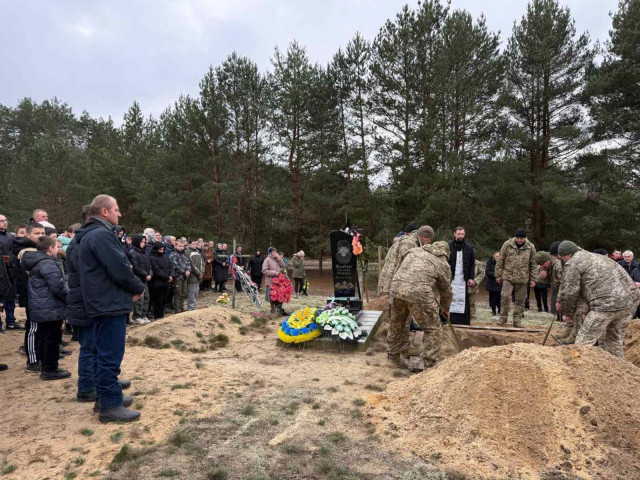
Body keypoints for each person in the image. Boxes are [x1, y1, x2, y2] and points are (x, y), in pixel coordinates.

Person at [78, 194, 145, 423]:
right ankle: (109, 406)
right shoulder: (101, 234)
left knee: (103, 353)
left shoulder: (94, 233)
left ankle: (106, 397)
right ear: (104, 211)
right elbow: (119, 268)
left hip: (104, 301)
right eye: (116, 209)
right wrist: (138, 287)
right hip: (109, 303)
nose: (120, 214)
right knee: (110, 355)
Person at [557, 240, 640, 358]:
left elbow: (570, 292)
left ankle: (579, 368)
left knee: (583, 342)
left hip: (605, 305)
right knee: (613, 340)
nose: (563, 261)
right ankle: (617, 367)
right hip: (629, 302)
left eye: (562, 258)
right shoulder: (599, 257)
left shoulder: (573, 263)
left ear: (567, 255)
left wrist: (568, 313)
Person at [388, 241, 453, 371]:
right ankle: (430, 363)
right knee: (433, 329)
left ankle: (393, 357)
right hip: (419, 293)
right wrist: (445, 309)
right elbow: (446, 291)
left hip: (396, 288)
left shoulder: (414, 251)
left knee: (397, 324)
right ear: (446, 253)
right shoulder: (442, 263)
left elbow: (400, 269)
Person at [21, 236, 70, 380]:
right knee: (52, 339)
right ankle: (50, 369)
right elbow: (58, 287)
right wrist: (70, 298)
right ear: (50, 248)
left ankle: (46, 367)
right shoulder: (47, 263)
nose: (58, 250)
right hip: (50, 308)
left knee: (44, 338)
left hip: (42, 307)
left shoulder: (39, 262)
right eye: (57, 247)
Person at [12, 223, 45, 370]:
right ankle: (32, 360)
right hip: (30, 294)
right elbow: (23, 278)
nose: (40, 236)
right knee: (33, 327)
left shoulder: (39, 248)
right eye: (37, 233)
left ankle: (40, 356)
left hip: (40, 295)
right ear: (27, 235)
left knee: (41, 328)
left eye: (42, 233)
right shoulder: (23, 252)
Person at [494, 229, 537, 328]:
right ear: (515, 237)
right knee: (505, 296)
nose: (519, 240)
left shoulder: (531, 247)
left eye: (521, 238)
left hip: (522, 278)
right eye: (517, 238)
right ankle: (503, 318)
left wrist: (534, 279)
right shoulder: (507, 244)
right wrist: (498, 275)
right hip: (508, 276)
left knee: (520, 300)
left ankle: (517, 320)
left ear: (525, 238)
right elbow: (500, 260)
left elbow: (533, 264)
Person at [446, 227, 476, 325]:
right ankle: (447, 319)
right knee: (449, 297)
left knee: (462, 298)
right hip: (451, 278)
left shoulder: (469, 247)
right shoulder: (448, 246)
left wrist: (471, 277)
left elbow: (472, 264)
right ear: (454, 233)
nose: (460, 236)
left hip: (463, 278)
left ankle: (463, 321)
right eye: (459, 234)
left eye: (462, 234)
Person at [0, 214, 20, 331]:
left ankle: (11, 321)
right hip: (0, 271)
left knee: (11, 297)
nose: (4, 222)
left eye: (5, 220)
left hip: (11, 270)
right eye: (1, 221)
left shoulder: (11, 237)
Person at [128, 235, 152, 325]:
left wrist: (150, 274)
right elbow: (136, 267)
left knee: (146, 297)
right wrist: (145, 274)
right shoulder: (132, 253)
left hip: (145, 278)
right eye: (141, 242)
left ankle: (143, 315)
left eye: (144, 242)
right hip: (138, 278)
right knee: (139, 298)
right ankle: (137, 316)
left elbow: (149, 265)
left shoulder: (144, 253)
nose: (143, 244)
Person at [149, 242, 173, 320]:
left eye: (163, 249)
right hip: (157, 282)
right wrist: (167, 277)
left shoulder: (166, 257)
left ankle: (162, 315)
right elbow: (157, 270)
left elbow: (170, 266)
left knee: (164, 300)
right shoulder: (152, 258)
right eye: (160, 249)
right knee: (157, 300)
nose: (162, 251)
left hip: (166, 282)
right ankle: (157, 315)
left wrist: (171, 275)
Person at [169, 239, 191, 313]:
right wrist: (183, 272)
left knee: (183, 292)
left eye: (182, 246)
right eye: (180, 246)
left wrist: (188, 270)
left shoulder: (184, 254)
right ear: (175, 246)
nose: (181, 248)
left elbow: (188, 263)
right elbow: (175, 265)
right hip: (177, 276)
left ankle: (182, 307)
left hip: (185, 277)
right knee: (177, 293)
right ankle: (177, 308)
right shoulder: (173, 254)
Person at [262, 247, 286, 313]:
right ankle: (272, 309)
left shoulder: (277, 259)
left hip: (279, 281)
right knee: (272, 297)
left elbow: (283, 265)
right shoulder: (267, 260)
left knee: (280, 295)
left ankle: (279, 309)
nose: (275, 253)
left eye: (275, 251)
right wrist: (275, 273)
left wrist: (279, 258)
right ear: (270, 253)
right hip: (271, 281)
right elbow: (264, 271)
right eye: (273, 251)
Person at [186, 238, 204, 310]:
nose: (195, 245)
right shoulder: (187, 252)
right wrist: (198, 273)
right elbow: (191, 264)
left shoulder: (198, 251)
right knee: (191, 292)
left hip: (199, 275)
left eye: (196, 244)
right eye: (193, 244)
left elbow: (202, 262)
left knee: (196, 292)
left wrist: (202, 272)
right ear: (189, 244)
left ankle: (194, 307)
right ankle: (190, 308)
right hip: (192, 276)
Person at [485, 251, 502, 316]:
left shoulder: (503, 263)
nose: (497, 257)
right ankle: (493, 311)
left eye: (499, 256)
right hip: (491, 283)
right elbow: (487, 272)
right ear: (493, 256)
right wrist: (496, 275)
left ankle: (500, 311)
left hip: (500, 283)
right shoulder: (489, 262)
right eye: (496, 256)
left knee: (500, 298)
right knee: (492, 298)